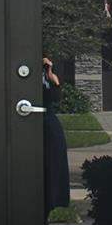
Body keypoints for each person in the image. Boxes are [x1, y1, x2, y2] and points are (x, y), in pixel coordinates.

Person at [41, 56, 70, 213]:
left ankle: (48, 210)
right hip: (33, 122)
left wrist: (50, 74)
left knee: (54, 163)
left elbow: (56, 97)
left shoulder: (48, 75)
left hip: (48, 120)